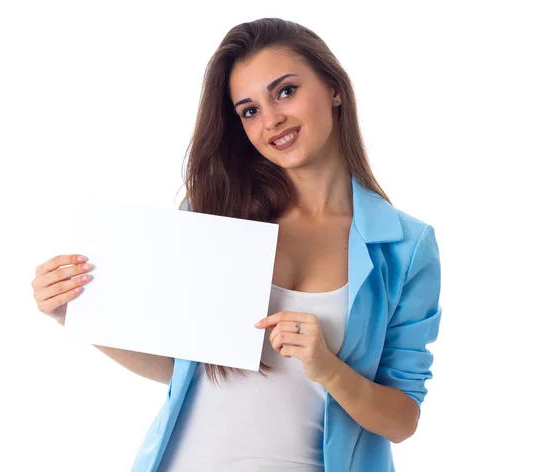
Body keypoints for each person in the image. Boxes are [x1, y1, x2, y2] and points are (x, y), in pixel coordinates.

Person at [31, 17, 442, 472]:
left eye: (285, 91)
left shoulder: (405, 247)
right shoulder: (212, 213)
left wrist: (328, 368)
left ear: (333, 87)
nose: (272, 120)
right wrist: (75, 315)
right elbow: (183, 369)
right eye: (249, 110)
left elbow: (402, 419)